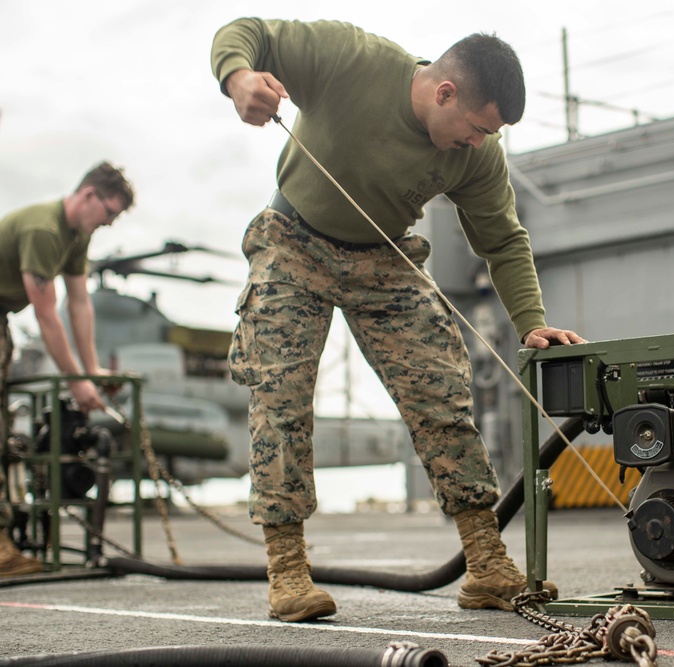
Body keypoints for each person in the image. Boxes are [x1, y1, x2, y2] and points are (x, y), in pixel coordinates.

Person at [211, 18, 585, 622]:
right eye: (475, 127)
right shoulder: (349, 58)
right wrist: (238, 78)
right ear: (444, 93)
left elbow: (504, 242)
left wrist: (530, 322)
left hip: (383, 258)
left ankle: (485, 562)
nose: (477, 143)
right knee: (279, 398)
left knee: (442, 393)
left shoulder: (478, 156)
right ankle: (287, 573)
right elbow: (247, 30)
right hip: (293, 243)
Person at [0, 161, 135, 576]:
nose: (109, 223)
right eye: (109, 213)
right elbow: (47, 316)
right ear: (88, 195)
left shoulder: (76, 236)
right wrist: (77, 384)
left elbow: (79, 303)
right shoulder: (44, 229)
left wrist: (91, 369)